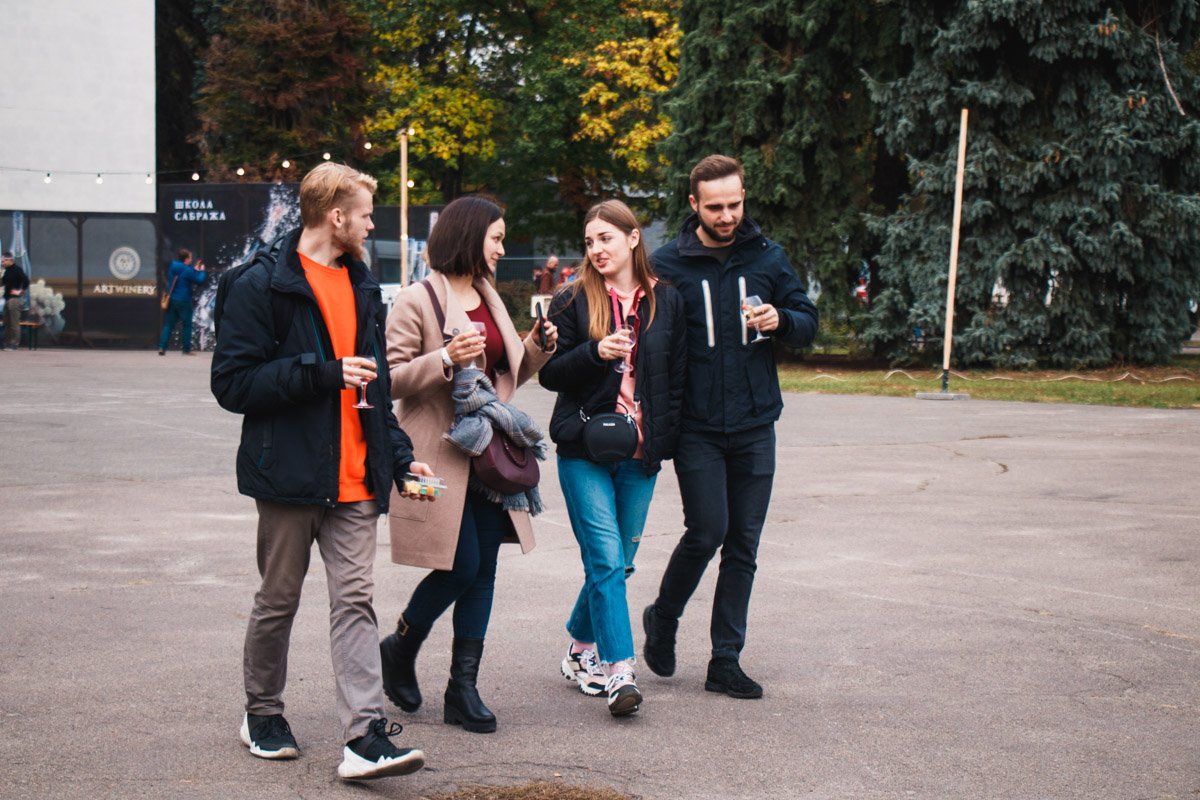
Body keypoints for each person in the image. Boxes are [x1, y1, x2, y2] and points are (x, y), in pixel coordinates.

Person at [210, 162, 429, 781]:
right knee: (278, 599)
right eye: (363, 214)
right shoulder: (259, 284)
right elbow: (231, 383)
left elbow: (378, 388)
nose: (369, 225)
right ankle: (262, 712)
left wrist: (401, 457)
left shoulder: (362, 285)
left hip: (356, 479)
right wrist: (322, 371)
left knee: (355, 601)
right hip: (288, 476)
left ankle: (364, 737)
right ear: (335, 216)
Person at [641, 154, 818, 699]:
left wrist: (781, 320)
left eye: (735, 204)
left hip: (754, 422)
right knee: (707, 531)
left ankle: (725, 660)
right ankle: (664, 616)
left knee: (744, 543)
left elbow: (808, 323)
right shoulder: (668, 264)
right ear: (693, 204)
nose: (726, 215)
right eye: (715, 206)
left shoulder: (766, 257)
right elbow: (652, 343)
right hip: (696, 427)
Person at [380, 195, 558, 734]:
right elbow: (388, 380)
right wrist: (443, 360)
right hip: (435, 457)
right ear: (469, 235)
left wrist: (536, 346)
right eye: (497, 237)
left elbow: (503, 381)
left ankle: (463, 688)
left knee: (484, 569)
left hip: (490, 456)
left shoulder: (489, 296)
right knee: (459, 565)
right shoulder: (417, 299)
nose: (503, 248)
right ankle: (401, 645)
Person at [539, 200, 686, 717]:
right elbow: (550, 374)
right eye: (589, 242)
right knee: (603, 558)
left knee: (617, 564)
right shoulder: (573, 299)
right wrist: (593, 353)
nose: (597, 249)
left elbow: (677, 377)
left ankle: (580, 649)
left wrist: (666, 444)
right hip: (583, 448)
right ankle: (618, 671)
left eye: (605, 238)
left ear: (632, 238)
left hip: (640, 453)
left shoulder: (665, 301)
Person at [158, 248, 207, 355]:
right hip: (184, 300)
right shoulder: (188, 270)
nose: (191, 259)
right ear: (186, 259)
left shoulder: (173, 266)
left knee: (169, 325)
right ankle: (186, 350)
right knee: (187, 325)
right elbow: (199, 280)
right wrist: (202, 271)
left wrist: (194, 269)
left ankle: (162, 347)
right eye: (190, 257)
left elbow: (185, 274)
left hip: (172, 299)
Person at [2, 251, 29, 351]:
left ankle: (14, 344)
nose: (3, 263)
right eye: (2, 261)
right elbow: (3, 283)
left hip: (15, 300)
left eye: (4, 261)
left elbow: (26, 280)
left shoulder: (17, 270)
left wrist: (20, 290)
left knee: (14, 323)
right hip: (8, 298)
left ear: (10, 260)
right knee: (7, 322)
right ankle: (7, 343)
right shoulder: (7, 271)